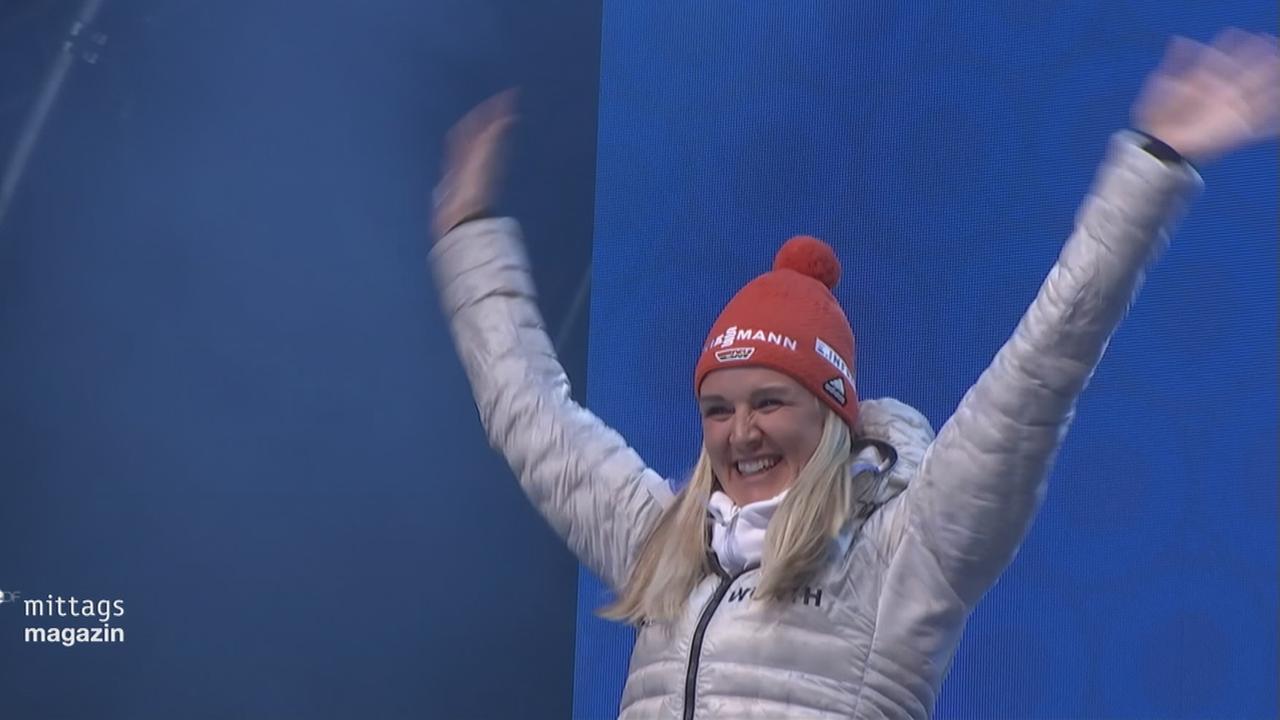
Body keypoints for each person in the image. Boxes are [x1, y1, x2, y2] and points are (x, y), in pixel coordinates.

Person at [428, 30, 1279, 720]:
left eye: (770, 401)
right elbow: (528, 411)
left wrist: (1152, 167)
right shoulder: (665, 546)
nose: (741, 432)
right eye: (718, 408)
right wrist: (468, 234)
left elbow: (1045, 365)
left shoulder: (907, 552)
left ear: (833, 413)